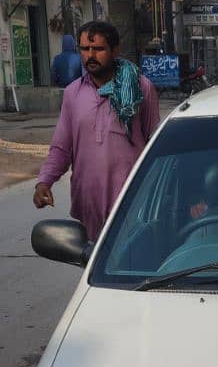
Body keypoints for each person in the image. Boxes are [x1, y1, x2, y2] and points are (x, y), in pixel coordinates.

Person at [34, 21, 160, 241]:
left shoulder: (141, 88)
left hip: (133, 202)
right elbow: (62, 148)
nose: (90, 55)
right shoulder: (73, 93)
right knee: (93, 271)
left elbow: (155, 146)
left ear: (114, 50)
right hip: (89, 203)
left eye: (99, 49)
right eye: (84, 49)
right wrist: (44, 182)